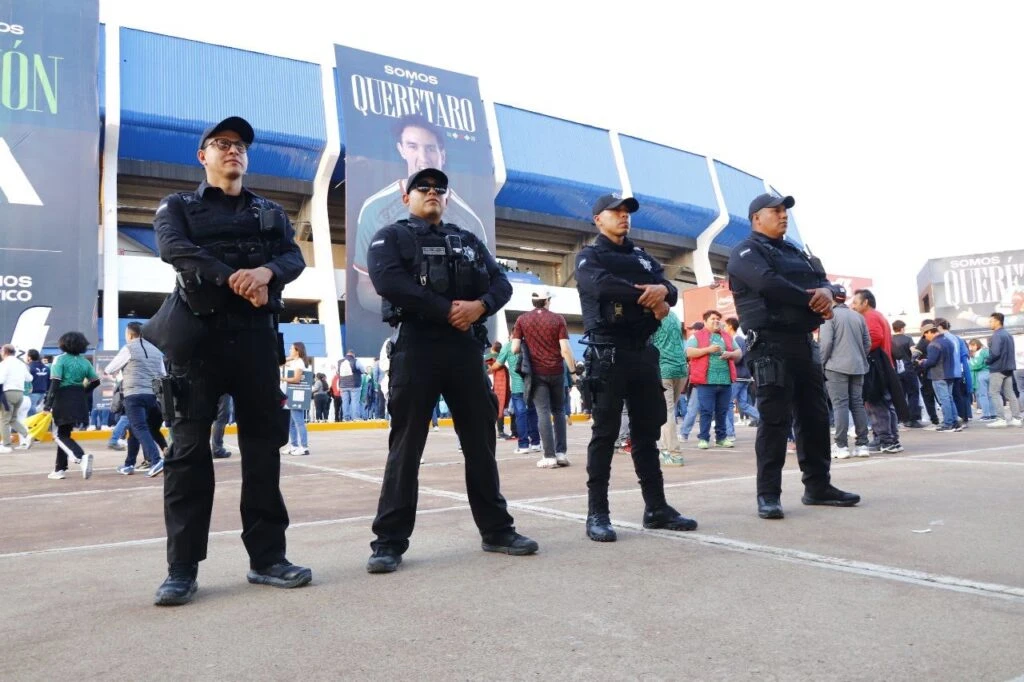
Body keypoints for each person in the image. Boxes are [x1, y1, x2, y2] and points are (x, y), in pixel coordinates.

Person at [150, 116, 311, 606]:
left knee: (263, 451)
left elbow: (294, 258)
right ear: (203, 156)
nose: (233, 150)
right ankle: (181, 569)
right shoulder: (177, 206)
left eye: (240, 144)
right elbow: (173, 249)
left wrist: (266, 272)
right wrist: (234, 277)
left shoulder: (270, 211)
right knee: (187, 455)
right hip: (196, 343)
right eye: (222, 143)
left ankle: (268, 559)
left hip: (257, 342)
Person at [364, 166, 537, 572]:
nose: (432, 192)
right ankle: (388, 542)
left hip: (464, 349)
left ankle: (497, 530)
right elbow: (389, 282)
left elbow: (501, 284)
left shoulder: (469, 240)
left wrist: (480, 307)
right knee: (406, 447)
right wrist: (448, 311)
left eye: (439, 188)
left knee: (480, 443)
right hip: (417, 346)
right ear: (406, 198)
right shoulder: (390, 236)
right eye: (422, 187)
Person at [726, 193, 860, 520]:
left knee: (815, 416)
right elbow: (768, 284)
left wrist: (827, 292)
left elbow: (826, 283)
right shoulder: (745, 252)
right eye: (775, 211)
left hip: (803, 343)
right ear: (756, 218)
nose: (783, 215)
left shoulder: (796, 252)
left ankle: (818, 486)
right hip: (769, 345)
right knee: (774, 420)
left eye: (785, 211)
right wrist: (814, 299)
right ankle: (768, 495)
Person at [575, 193, 698, 543]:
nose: (623, 216)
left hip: (643, 351)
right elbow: (600, 286)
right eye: (615, 211)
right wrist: (649, 295)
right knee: (605, 433)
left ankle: (656, 508)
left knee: (647, 432)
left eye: (626, 212)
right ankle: (597, 513)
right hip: (607, 353)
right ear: (598, 219)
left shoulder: (642, 256)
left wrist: (661, 290)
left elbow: (671, 289)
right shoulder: (589, 256)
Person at [351, 115, 487, 333]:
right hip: (408, 335)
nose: (423, 158)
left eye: (430, 148)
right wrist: (429, 309)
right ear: (401, 149)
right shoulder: (374, 211)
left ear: (443, 154)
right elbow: (366, 288)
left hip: (458, 336)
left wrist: (477, 307)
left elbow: (492, 285)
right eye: (412, 146)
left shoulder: (471, 223)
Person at [510, 287, 576, 468]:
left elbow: (514, 348)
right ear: (547, 301)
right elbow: (565, 349)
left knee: (543, 412)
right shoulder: (558, 319)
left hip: (537, 374)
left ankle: (549, 456)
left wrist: (528, 343)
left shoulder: (522, 320)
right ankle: (561, 454)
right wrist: (572, 373)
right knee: (559, 411)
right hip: (557, 372)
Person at [104, 323, 168, 476]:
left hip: (133, 395)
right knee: (134, 430)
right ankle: (129, 464)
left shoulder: (129, 348)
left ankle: (156, 460)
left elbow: (109, 369)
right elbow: (163, 374)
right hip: (151, 396)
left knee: (139, 427)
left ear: (130, 334)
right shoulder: (156, 351)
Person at [817, 286, 871, 458]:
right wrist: (859, 356)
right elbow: (867, 343)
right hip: (858, 366)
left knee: (840, 405)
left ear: (831, 297)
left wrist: (821, 364)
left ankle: (841, 446)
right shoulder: (858, 316)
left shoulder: (829, 316)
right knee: (857, 404)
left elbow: (825, 344)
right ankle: (862, 445)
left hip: (836, 366)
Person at [42, 332, 99, 479]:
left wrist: (47, 405)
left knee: (58, 435)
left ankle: (80, 457)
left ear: (64, 344)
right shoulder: (85, 362)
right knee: (65, 433)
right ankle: (59, 469)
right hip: (79, 399)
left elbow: (55, 382)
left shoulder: (59, 359)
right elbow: (95, 381)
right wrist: (83, 392)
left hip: (63, 398)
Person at [685, 310, 740, 450]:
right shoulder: (697, 336)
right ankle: (703, 438)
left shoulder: (726, 336)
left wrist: (730, 354)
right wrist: (708, 350)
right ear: (705, 321)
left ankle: (721, 438)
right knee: (706, 411)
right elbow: (688, 352)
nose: (716, 321)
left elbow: (739, 353)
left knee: (722, 411)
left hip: (725, 381)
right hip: (705, 381)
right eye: (713, 319)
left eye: (718, 319)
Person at [650, 309, 688, 466]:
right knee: (668, 411)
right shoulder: (673, 315)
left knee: (666, 412)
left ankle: (674, 454)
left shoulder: (651, 315)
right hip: (681, 368)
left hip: (663, 368)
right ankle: (666, 449)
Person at [985, 312, 1022, 427]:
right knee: (1010, 393)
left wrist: (987, 360)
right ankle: (1016, 418)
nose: (989, 323)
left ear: (997, 321)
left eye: (991, 321)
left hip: (998, 368)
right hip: (1008, 368)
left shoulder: (996, 335)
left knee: (994, 392)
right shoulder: (1008, 334)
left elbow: (995, 353)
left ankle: (1000, 418)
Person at [891, 320, 924, 428]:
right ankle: (913, 419)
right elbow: (914, 352)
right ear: (902, 328)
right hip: (909, 369)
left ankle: (901, 419)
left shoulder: (890, 340)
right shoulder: (908, 339)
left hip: (895, 371)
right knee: (913, 394)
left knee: (899, 395)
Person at [0, 344, 33, 452]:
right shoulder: (21, 363)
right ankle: (27, 435)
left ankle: (6, 445)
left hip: (7, 393)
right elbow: (29, 378)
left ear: (5, 352)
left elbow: (1, 380)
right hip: (20, 394)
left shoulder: (4, 364)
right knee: (12, 419)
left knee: (4, 420)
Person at [337, 350, 364, 421]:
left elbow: (338, 372)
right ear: (353, 355)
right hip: (354, 385)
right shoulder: (356, 361)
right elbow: (363, 370)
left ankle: (345, 417)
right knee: (355, 401)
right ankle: (355, 417)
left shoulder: (339, 362)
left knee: (345, 401)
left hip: (343, 385)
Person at [26, 349, 49, 417]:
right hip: (43, 392)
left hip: (32, 392)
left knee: (31, 412)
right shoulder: (46, 368)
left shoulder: (28, 367)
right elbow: (49, 380)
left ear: (29, 357)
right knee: (37, 410)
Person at [209, 394, 233, 459]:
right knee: (221, 417)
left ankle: (216, 449)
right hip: (223, 391)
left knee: (218, 417)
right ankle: (217, 450)